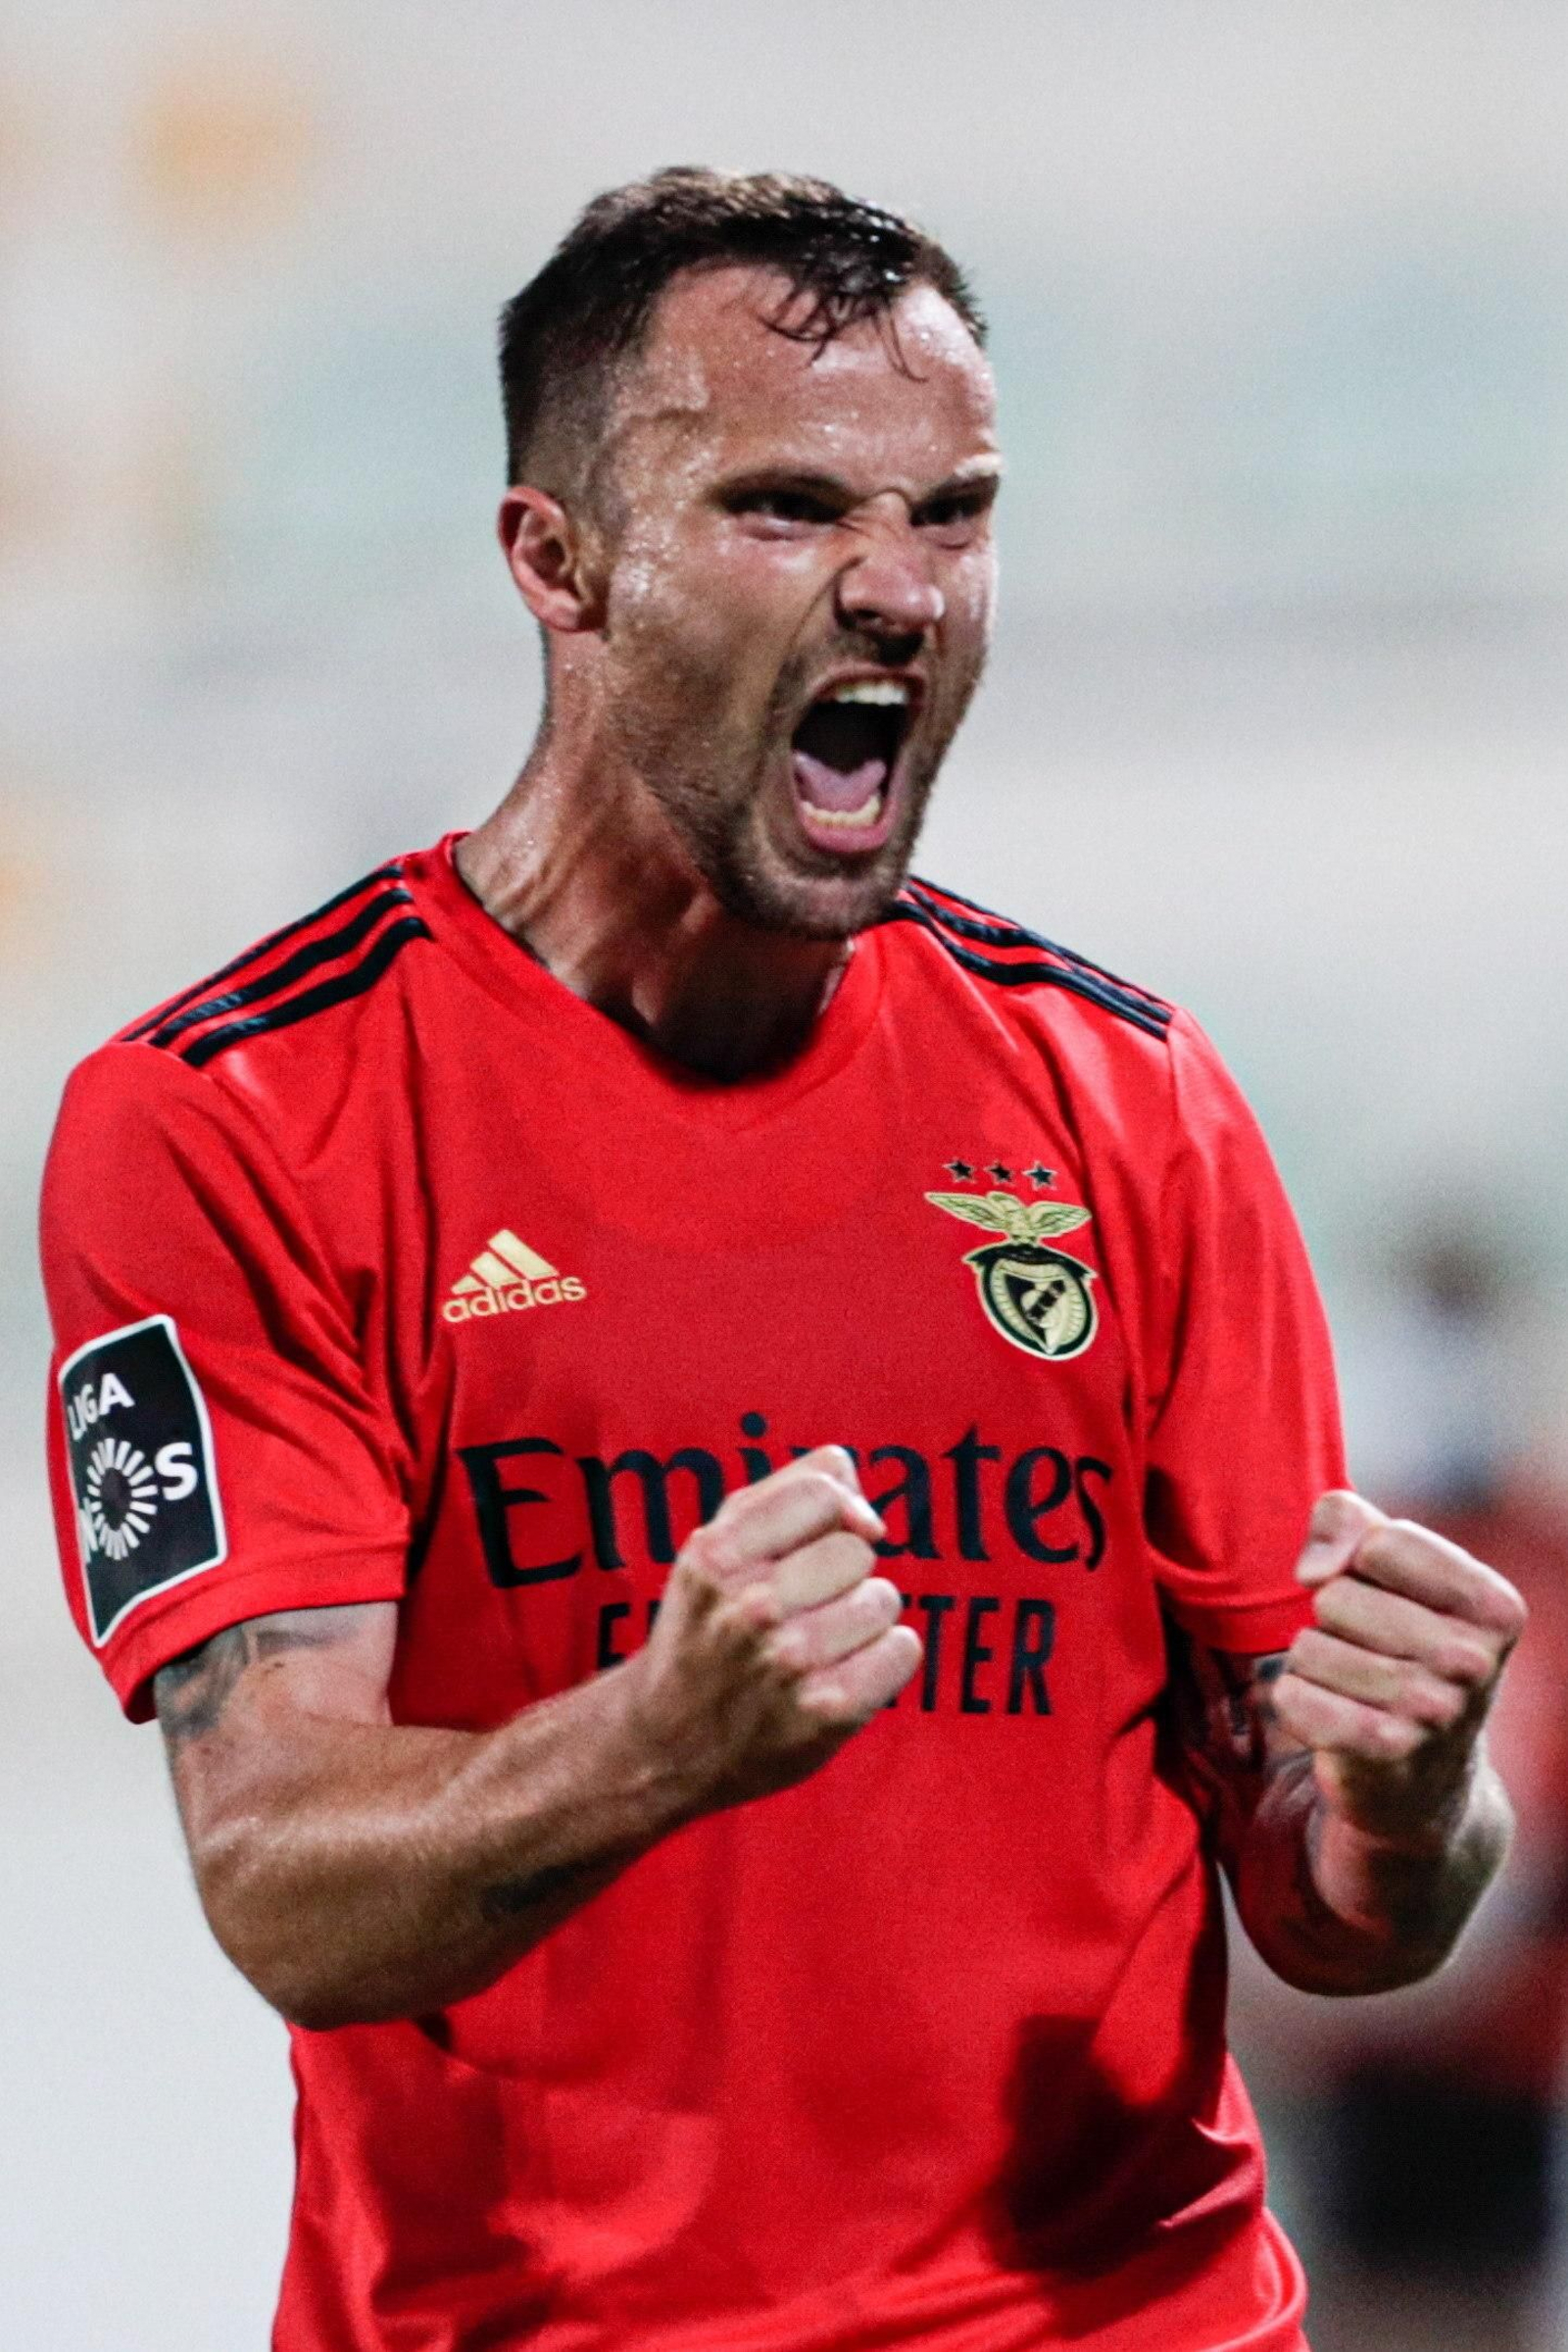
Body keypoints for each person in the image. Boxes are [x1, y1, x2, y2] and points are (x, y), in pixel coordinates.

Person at [40, 170, 1527, 2352]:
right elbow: (279, 1878)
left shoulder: (1127, 1103)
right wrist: (659, 1736)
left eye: (953, 513)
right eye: (787, 507)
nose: (898, 589)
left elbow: (1334, 1911)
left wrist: (1417, 1804)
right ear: (554, 562)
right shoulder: (237, 1116)